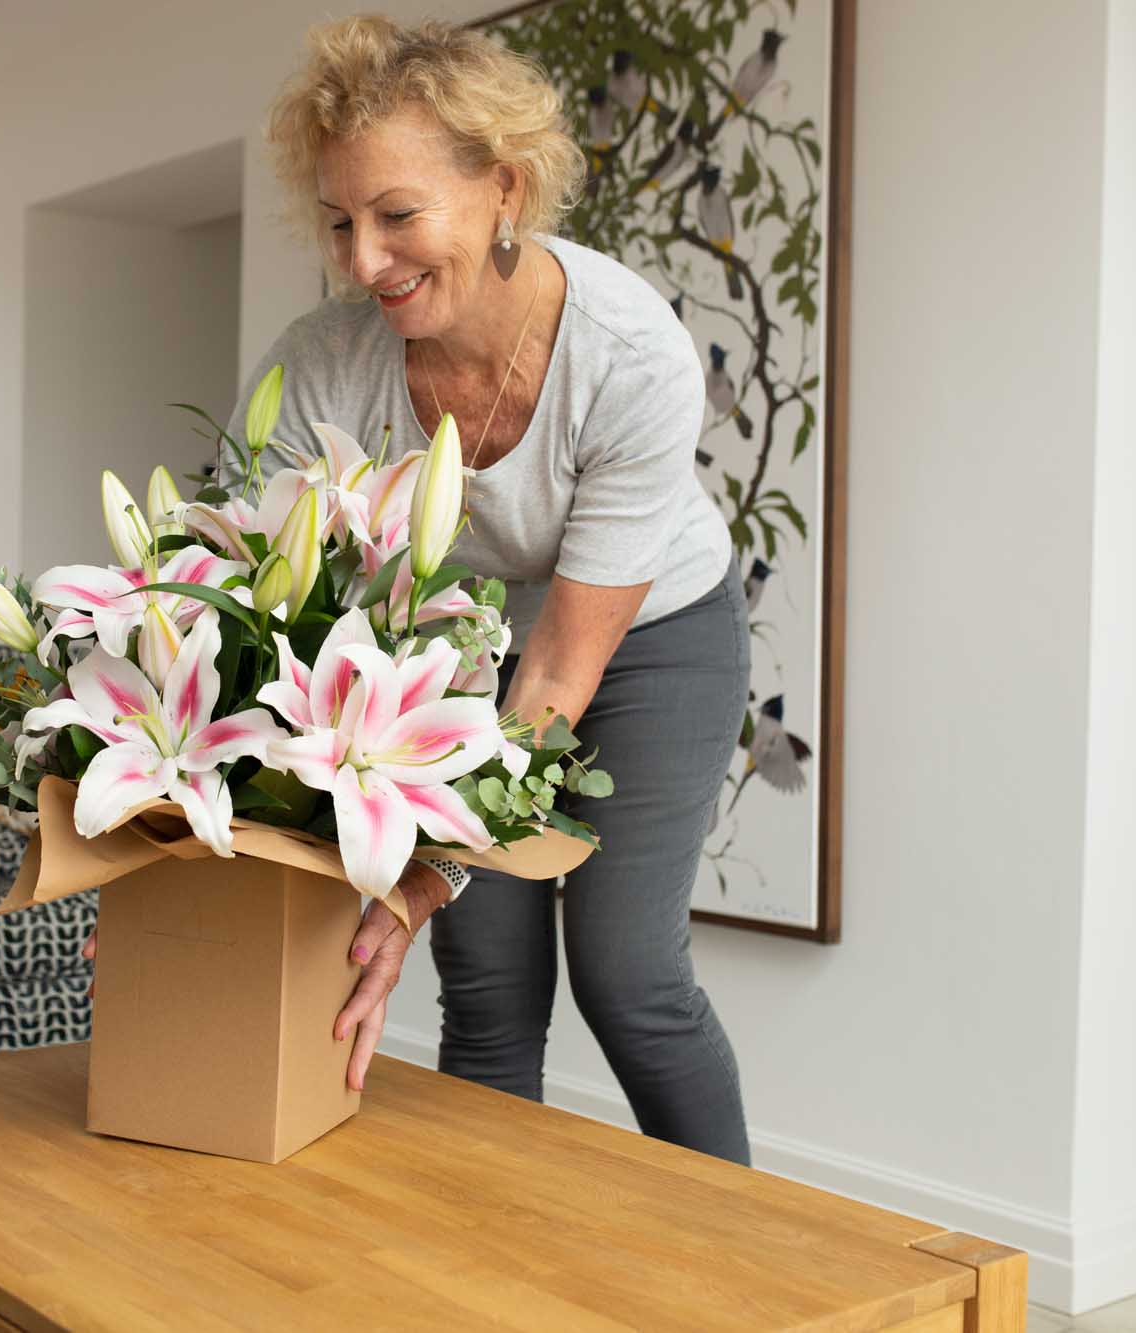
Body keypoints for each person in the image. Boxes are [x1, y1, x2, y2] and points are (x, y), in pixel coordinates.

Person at [224, 15, 752, 1165]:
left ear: (502, 189)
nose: (363, 262)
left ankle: (748, 1271)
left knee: (628, 972)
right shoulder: (323, 360)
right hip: (463, 654)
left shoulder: (628, 352)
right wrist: (187, 864)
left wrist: (416, 883)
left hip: (647, 637)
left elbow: (562, 663)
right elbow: (243, 608)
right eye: (338, 222)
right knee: (490, 978)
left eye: (397, 216)